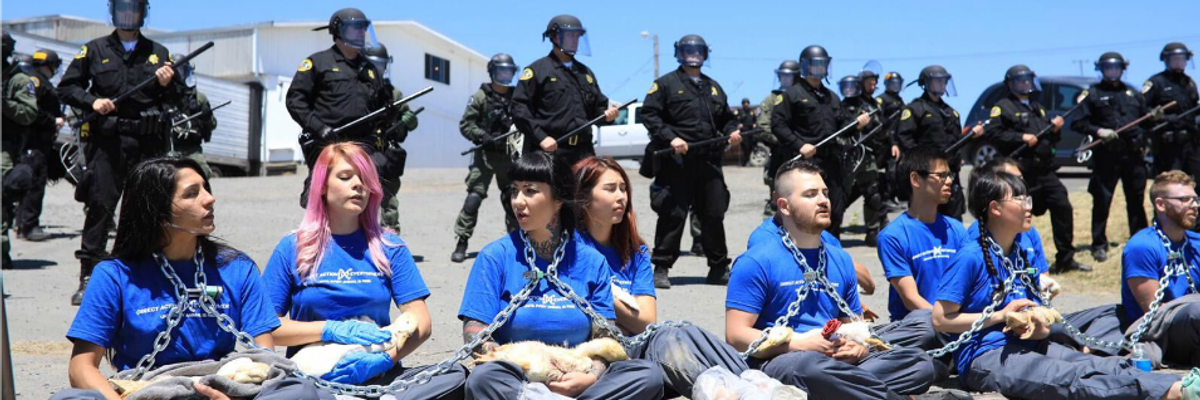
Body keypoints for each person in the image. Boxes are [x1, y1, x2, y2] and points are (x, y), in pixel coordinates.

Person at [54, 157, 325, 400]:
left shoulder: (236, 268)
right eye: (192, 194)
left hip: (221, 385)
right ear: (157, 213)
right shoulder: (114, 275)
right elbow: (81, 367)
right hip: (149, 390)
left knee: (301, 391)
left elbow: (264, 356)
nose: (209, 199)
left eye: (206, 188)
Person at [932, 168, 1194, 399]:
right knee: (1070, 378)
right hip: (986, 356)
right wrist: (1000, 316)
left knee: (1101, 365)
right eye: (1019, 199)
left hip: (1030, 344)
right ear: (995, 208)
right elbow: (940, 320)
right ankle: (1174, 392)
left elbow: (1037, 317)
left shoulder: (1020, 253)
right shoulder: (970, 256)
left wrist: (1039, 327)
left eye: (1028, 198)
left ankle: (1185, 384)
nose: (1028, 206)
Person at [262, 142, 466, 395]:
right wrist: (330, 329)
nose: (358, 185)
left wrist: (386, 359)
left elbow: (421, 323)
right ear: (322, 186)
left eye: (364, 179)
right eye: (346, 177)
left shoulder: (390, 246)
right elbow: (267, 327)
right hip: (314, 379)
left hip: (379, 374)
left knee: (455, 375)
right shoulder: (292, 247)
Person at [726, 159, 938, 399]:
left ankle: (842, 390)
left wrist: (858, 348)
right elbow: (736, 336)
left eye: (825, 192)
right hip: (787, 359)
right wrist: (801, 343)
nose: (823, 200)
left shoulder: (841, 259)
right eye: (810, 194)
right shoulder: (756, 261)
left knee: (920, 363)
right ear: (784, 206)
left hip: (837, 361)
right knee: (810, 369)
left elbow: (855, 326)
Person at [460, 152, 664, 400]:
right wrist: (532, 366)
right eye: (515, 191)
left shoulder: (591, 261)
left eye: (530, 191)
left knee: (647, 375)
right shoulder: (495, 256)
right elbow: (474, 330)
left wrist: (591, 376)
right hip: (518, 376)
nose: (518, 201)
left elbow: (606, 334)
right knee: (483, 379)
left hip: (579, 376)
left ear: (558, 199)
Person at [573, 156, 751, 397]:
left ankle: (753, 385)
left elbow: (646, 321)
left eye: (623, 188)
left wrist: (600, 294)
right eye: (610, 189)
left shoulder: (635, 250)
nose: (621, 197)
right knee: (667, 342)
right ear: (583, 197)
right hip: (603, 358)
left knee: (681, 333)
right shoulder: (569, 251)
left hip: (640, 346)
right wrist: (623, 310)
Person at [57, 0, 181, 304]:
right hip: (108, 143)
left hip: (147, 143)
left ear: (142, 13)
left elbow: (179, 99)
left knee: (148, 208)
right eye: (123, 10)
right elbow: (67, 87)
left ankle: (145, 273)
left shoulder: (159, 53)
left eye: (134, 10)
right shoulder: (94, 49)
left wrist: (169, 84)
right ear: (113, 13)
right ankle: (89, 276)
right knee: (100, 206)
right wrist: (91, 102)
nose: (128, 16)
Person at [641, 34, 742, 288]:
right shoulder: (665, 84)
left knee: (713, 213)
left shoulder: (714, 87)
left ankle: (718, 267)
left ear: (705, 54)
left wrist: (732, 132)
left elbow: (726, 118)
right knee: (672, 214)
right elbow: (650, 115)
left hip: (708, 161)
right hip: (677, 162)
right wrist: (671, 138)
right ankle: (661, 267)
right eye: (688, 51)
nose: (693, 56)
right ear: (679, 54)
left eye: (698, 51)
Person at [984, 65, 1089, 272]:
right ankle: (1011, 257)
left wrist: (1056, 129)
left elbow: (1048, 138)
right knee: (1016, 214)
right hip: (1020, 171)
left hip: (1045, 170)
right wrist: (1020, 138)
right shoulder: (1003, 106)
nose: (1025, 84)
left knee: (1062, 205)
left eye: (1028, 80)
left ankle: (1065, 259)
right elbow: (993, 134)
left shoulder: (1037, 107)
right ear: (1011, 84)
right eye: (1020, 81)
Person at [287, 8, 389, 208]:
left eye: (364, 29)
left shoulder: (369, 69)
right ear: (339, 30)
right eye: (356, 28)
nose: (362, 33)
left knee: (362, 200)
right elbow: (295, 100)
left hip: (361, 146)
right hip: (328, 144)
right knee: (327, 200)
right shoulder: (318, 63)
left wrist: (389, 113)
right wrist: (319, 128)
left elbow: (378, 108)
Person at [771, 45, 870, 239]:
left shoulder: (831, 97)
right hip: (805, 163)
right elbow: (778, 125)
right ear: (805, 66)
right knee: (805, 213)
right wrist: (799, 144)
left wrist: (857, 124)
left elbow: (843, 125)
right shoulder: (792, 94)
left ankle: (829, 253)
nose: (819, 69)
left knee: (834, 209)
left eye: (823, 65)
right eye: (815, 65)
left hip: (831, 163)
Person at [874, 147, 965, 350]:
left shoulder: (958, 230)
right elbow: (910, 299)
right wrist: (950, 324)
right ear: (916, 180)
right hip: (919, 328)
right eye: (941, 175)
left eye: (949, 175)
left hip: (955, 325)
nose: (949, 181)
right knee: (925, 327)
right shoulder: (893, 236)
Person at [1072, 52, 1158, 262]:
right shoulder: (1091, 93)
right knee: (1102, 200)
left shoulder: (1133, 93)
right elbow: (1078, 123)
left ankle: (1140, 241)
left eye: (1116, 68)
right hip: (1106, 156)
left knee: (1136, 200)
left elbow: (1146, 121)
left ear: (1122, 69)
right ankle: (1099, 244)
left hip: (1133, 155)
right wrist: (1098, 130)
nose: (1112, 72)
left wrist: (1154, 117)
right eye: (1108, 68)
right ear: (1100, 70)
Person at [511, 14, 619, 166]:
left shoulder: (585, 73)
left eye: (577, 36)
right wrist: (541, 137)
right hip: (550, 151)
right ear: (555, 37)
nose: (575, 41)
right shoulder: (537, 70)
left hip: (584, 152)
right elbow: (519, 108)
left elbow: (598, 108)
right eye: (570, 36)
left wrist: (609, 116)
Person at [452, 52, 519, 263]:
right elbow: (466, 124)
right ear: (492, 72)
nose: (505, 76)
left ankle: (517, 242)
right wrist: (483, 136)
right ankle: (462, 240)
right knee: (474, 197)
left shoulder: (518, 96)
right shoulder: (480, 97)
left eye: (509, 71)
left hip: (509, 156)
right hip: (485, 155)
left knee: (513, 199)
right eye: (501, 71)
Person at [895, 65, 979, 221]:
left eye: (944, 81)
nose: (942, 84)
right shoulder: (915, 109)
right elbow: (904, 138)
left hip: (951, 175)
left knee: (953, 218)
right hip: (927, 175)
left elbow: (956, 141)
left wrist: (971, 136)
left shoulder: (951, 112)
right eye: (937, 81)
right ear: (926, 83)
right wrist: (923, 162)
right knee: (924, 219)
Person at [363, 43, 419, 235]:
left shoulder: (394, 93)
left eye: (381, 64)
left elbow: (410, 119)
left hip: (386, 152)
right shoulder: (356, 90)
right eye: (373, 64)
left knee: (389, 202)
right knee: (360, 199)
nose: (378, 69)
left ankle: (390, 241)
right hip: (362, 152)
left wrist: (408, 121)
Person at [840, 73, 889, 246]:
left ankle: (873, 231)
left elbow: (881, 127)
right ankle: (832, 230)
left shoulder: (873, 104)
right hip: (849, 154)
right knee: (839, 194)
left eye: (875, 84)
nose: (873, 87)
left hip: (868, 154)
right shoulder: (846, 105)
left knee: (873, 194)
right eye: (869, 83)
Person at [15, 47, 58, 243]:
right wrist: (53, 121)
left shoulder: (28, 77)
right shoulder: (36, 81)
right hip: (35, 140)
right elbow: (33, 111)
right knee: (35, 183)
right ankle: (30, 226)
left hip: (31, 140)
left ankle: (22, 223)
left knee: (26, 181)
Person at [1146, 43, 1199, 178]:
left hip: (1191, 142)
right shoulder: (1156, 82)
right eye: (1175, 59)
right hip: (1168, 144)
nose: (1179, 62)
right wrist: (1163, 118)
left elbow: (1194, 108)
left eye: (1182, 59)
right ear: (1166, 60)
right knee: (1171, 182)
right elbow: (1143, 110)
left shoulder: (1189, 82)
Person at [757, 60, 800, 217]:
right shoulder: (771, 99)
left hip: (802, 154)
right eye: (782, 76)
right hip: (779, 153)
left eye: (788, 76)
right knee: (777, 199)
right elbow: (762, 126)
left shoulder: (802, 97)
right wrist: (784, 139)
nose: (784, 79)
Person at [166, 52, 216, 179]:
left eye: (182, 69)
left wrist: (206, 116)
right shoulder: (161, 97)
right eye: (176, 69)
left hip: (191, 150)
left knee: (202, 173)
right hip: (167, 149)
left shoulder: (199, 98)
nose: (179, 73)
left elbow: (212, 124)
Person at [878, 71, 906, 210]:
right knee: (891, 171)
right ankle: (886, 198)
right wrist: (892, 143)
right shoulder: (882, 100)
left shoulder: (900, 101)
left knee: (899, 170)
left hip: (899, 140)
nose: (895, 86)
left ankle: (896, 197)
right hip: (886, 142)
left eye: (897, 83)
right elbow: (881, 123)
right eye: (892, 83)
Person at [736, 97, 758, 166]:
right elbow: (736, 120)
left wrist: (755, 124)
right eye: (744, 103)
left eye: (747, 103)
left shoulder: (751, 111)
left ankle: (748, 161)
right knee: (745, 147)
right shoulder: (740, 112)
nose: (746, 104)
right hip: (744, 132)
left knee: (751, 146)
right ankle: (745, 162)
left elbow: (755, 119)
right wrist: (739, 125)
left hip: (751, 131)